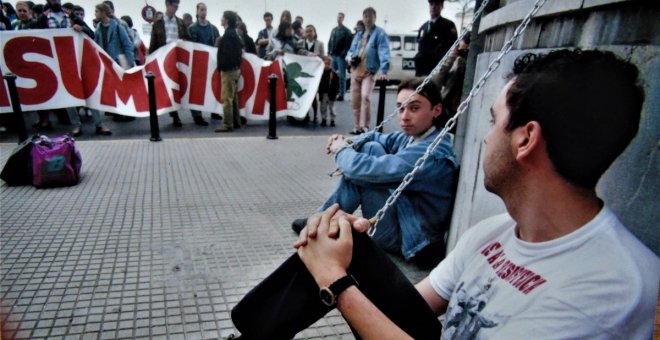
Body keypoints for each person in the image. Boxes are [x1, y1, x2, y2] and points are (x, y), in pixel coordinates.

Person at [233, 49, 658, 339]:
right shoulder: (492, 234)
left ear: (525, 140)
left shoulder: (608, 290)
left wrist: (335, 282)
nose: (483, 138)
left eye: (494, 122)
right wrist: (345, 257)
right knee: (347, 243)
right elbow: (411, 307)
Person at [292, 77, 457, 266]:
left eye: (414, 108)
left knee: (362, 172)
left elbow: (364, 169)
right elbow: (377, 137)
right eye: (400, 108)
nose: (404, 117)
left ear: (436, 110)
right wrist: (348, 142)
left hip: (413, 241)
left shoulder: (432, 152)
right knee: (371, 147)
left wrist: (341, 149)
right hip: (404, 219)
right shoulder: (412, 137)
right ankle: (323, 220)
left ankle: (320, 222)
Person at [149, 0, 204, 127]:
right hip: (166, 60)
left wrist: (182, 41)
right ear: (167, 5)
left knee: (188, 85)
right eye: (174, 6)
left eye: (177, 7)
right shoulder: (157, 24)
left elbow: (188, 40)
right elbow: (153, 45)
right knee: (171, 88)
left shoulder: (180, 23)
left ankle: (197, 115)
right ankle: (175, 116)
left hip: (180, 59)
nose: (176, 9)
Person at [346, 7, 390, 135]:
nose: (368, 19)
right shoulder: (359, 35)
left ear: (375, 18)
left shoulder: (380, 33)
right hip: (356, 71)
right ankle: (357, 126)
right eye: (365, 16)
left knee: (365, 97)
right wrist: (349, 58)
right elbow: (350, 50)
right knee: (354, 100)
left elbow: (384, 51)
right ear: (363, 18)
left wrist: (384, 70)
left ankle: (364, 126)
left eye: (370, 16)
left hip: (369, 71)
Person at [187, 2, 219, 125]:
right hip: (197, 63)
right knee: (197, 89)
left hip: (211, 62)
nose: (203, 12)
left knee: (213, 87)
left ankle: (214, 111)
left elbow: (217, 43)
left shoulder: (213, 29)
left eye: (205, 10)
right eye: (201, 10)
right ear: (197, 12)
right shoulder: (192, 29)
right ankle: (197, 115)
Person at [214, 11, 243, 133]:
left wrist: (222, 66)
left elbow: (228, 54)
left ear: (226, 20)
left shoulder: (228, 35)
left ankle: (227, 124)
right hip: (235, 69)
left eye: (222, 17)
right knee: (233, 98)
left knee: (226, 98)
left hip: (229, 71)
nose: (221, 19)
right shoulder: (233, 34)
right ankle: (236, 121)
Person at [415, 0, 457, 77]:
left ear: (442, 6)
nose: (433, 7)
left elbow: (451, 49)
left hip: (438, 71)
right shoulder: (423, 28)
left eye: (437, 4)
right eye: (431, 4)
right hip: (421, 72)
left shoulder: (448, 26)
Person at [432, 35, 470, 117]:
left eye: (465, 52)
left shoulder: (465, 64)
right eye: (460, 51)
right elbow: (437, 82)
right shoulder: (455, 62)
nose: (461, 56)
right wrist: (451, 59)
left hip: (458, 107)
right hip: (448, 105)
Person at [327, 12, 353, 101]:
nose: (339, 19)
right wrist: (329, 52)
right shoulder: (333, 30)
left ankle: (342, 94)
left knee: (342, 76)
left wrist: (343, 53)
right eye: (338, 17)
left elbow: (349, 45)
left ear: (343, 19)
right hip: (333, 55)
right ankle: (333, 93)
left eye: (341, 17)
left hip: (341, 57)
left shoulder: (347, 31)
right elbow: (330, 41)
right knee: (332, 75)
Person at [317, 56, 340, 127]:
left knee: (331, 107)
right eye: (325, 63)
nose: (327, 65)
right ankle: (324, 119)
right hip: (323, 93)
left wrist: (337, 93)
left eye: (328, 64)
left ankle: (332, 120)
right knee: (323, 107)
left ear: (330, 64)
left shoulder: (333, 74)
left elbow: (337, 84)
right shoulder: (320, 73)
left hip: (331, 93)